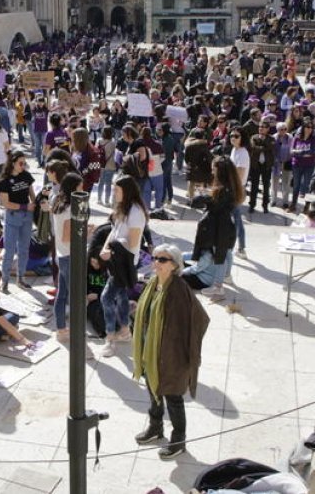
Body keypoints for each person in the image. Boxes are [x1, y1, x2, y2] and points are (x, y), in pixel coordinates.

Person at [131, 244, 210, 460]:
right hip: (150, 351)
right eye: (155, 258)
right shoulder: (153, 283)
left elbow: (201, 319)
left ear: (174, 265)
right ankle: (156, 428)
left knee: (173, 398)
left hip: (172, 356)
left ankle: (178, 442)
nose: (156, 262)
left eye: (162, 260)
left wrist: (180, 345)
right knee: (153, 390)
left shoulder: (179, 290)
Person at [100, 174, 147, 357]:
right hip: (116, 261)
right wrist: (106, 247)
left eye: (116, 189)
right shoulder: (124, 209)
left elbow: (133, 242)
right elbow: (115, 231)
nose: (113, 192)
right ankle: (125, 331)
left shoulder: (136, 212)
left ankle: (110, 338)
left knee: (106, 298)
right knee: (120, 298)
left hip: (124, 263)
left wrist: (110, 250)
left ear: (125, 191)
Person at [182, 156, 238, 293]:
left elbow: (212, 203)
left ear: (221, 170)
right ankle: (225, 277)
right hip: (225, 225)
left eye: (214, 168)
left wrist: (204, 197)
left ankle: (218, 286)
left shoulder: (224, 189)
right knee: (225, 252)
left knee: (219, 254)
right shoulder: (230, 186)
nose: (212, 171)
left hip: (219, 227)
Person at [51, 172, 85, 339]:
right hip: (69, 255)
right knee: (75, 296)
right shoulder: (70, 208)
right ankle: (76, 334)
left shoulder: (58, 203)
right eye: (80, 187)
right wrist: (85, 231)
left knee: (62, 294)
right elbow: (67, 236)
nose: (83, 189)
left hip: (61, 253)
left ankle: (61, 329)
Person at [0, 148, 35, 291]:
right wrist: (25, 206)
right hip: (13, 216)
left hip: (27, 217)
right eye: (20, 163)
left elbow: (32, 195)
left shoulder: (26, 176)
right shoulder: (4, 181)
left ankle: (21, 277)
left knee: (24, 249)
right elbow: (6, 204)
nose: (23, 166)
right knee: (9, 250)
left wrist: (36, 206)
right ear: (12, 163)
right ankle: (5, 280)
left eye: (25, 163)